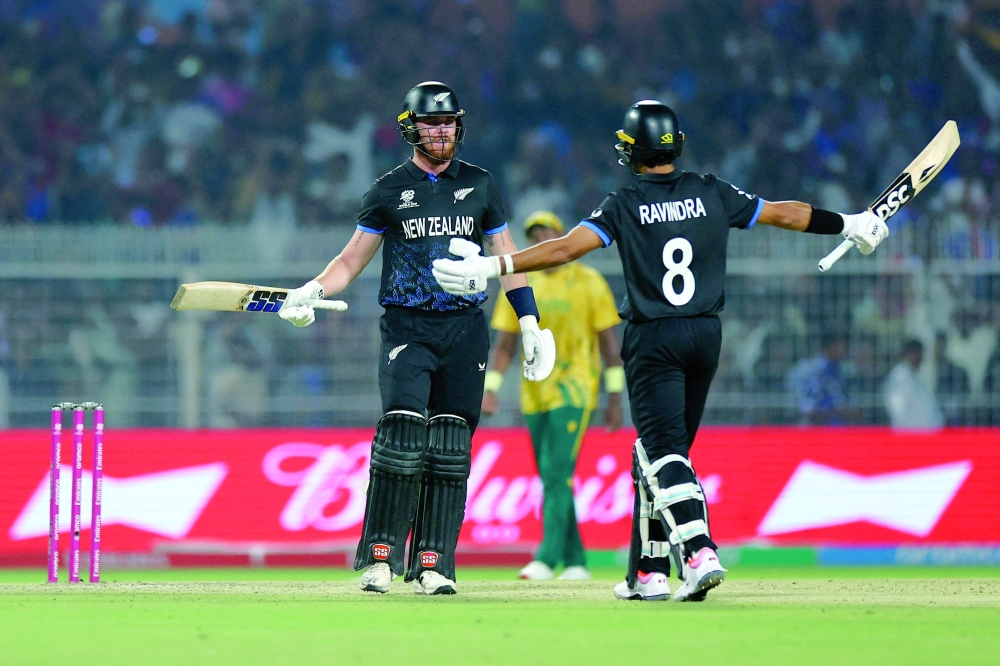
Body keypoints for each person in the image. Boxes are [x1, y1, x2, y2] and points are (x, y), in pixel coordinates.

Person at [431, 100, 888, 602]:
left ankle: (697, 553)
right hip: (706, 336)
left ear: (632, 151)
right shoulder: (713, 192)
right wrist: (848, 222)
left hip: (655, 339)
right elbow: (785, 213)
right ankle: (646, 571)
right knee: (654, 453)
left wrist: (495, 267)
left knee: (664, 451)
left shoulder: (623, 203)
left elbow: (564, 249)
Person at [277, 82, 556, 596]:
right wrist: (311, 291)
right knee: (403, 434)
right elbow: (349, 261)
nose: (442, 130)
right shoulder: (387, 191)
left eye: (449, 122)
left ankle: (433, 563)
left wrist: (529, 320)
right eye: (432, 122)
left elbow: (509, 257)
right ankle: (380, 557)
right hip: (407, 328)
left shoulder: (481, 185)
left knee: (450, 447)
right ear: (411, 127)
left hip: (465, 330)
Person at [482, 210, 624, 582]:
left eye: (547, 232)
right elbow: (505, 344)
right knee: (551, 475)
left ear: (560, 236)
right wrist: (492, 389)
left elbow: (609, 345)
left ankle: (546, 557)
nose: (540, 237)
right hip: (534, 393)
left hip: (575, 388)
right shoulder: (520, 283)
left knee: (557, 472)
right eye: (534, 234)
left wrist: (613, 397)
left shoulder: (589, 281)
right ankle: (576, 561)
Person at [786, 333, 858, 425]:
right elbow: (802, 406)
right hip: (811, 427)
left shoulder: (846, 371)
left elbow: (853, 407)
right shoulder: (806, 370)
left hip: (840, 428)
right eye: (840, 346)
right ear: (829, 347)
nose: (843, 350)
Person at [883, 339, 944, 430]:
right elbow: (897, 412)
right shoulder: (899, 377)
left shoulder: (918, 378)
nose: (918, 357)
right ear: (906, 354)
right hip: (908, 436)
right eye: (915, 353)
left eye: (920, 353)